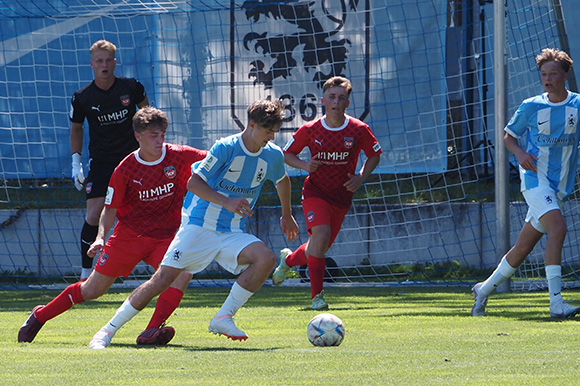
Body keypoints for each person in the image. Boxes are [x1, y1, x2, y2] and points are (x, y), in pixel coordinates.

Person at [88, 98, 299, 349]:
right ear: (251, 125)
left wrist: (286, 214)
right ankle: (106, 332)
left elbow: (282, 179)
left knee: (265, 258)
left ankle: (223, 317)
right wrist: (227, 201)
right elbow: (194, 183)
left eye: (274, 132)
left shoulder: (272, 154)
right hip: (198, 226)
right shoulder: (225, 148)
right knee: (162, 279)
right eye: (267, 132)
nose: (271, 138)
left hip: (231, 231)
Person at [18, 106, 207, 344]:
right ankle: (40, 315)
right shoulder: (125, 169)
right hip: (128, 238)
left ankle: (150, 331)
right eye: (153, 136)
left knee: (182, 274)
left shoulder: (179, 155)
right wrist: (100, 237)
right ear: (138, 136)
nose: (160, 141)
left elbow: (214, 157)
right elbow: (110, 209)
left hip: (165, 238)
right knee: (92, 290)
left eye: (162, 135)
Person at [472, 48, 580, 319]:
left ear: (565, 76)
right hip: (535, 180)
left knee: (523, 247)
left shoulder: (577, 105)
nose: (547, 78)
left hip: (560, 186)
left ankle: (484, 290)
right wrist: (520, 154)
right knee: (558, 229)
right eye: (544, 74)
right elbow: (509, 136)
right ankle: (556, 302)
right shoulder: (532, 105)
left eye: (553, 73)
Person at [271, 76, 382, 310]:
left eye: (342, 98)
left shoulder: (358, 129)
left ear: (348, 103)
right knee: (320, 237)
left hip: (342, 197)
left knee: (318, 247)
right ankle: (317, 298)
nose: (336, 102)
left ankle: (288, 260)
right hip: (315, 193)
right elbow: (287, 154)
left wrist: (361, 177)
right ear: (323, 101)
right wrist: (304, 165)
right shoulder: (310, 129)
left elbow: (374, 155)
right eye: (332, 97)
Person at [70, 39, 150, 280]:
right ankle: (85, 274)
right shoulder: (82, 97)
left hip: (133, 161)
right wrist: (76, 162)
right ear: (92, 65)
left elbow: (148, 116)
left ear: (115, 63)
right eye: (99, 61)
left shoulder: (131, 88)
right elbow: (76, 129)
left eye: (108, 61)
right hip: (102, 163)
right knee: (93, 215)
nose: (104, 65)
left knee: (144, 213)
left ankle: (158, 269)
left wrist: (150, 149)